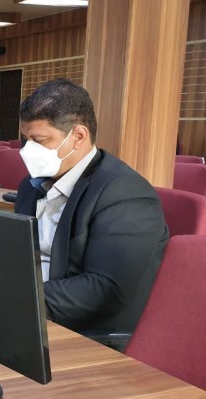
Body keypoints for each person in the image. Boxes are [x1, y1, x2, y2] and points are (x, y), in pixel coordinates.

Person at [14, 78, 168, 344]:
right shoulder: (31, 186)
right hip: (32, 315)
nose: (28, 151)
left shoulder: (124, 193)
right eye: (25, 140)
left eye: (39, 140)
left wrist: (16, 299)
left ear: (78, 136)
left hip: (89, 332)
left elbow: (104, 290)